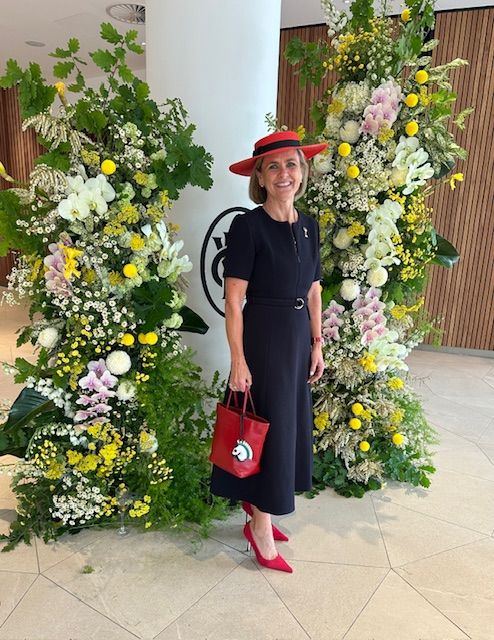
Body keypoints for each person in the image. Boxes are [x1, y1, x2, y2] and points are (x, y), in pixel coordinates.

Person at [210, 130, 328, 573]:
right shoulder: (248, 226)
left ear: (303, 170)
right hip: (263, 339)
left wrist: (317, 343)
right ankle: (260, 525)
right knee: (269, 429)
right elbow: (233, 300)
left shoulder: (310, 226)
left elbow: (314, 291)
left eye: (291, 164)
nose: (284, 174)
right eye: (273, 166)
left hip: (296, 340)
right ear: (259, 177)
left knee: (287, 425)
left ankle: (258, 510)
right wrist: (238, 360)